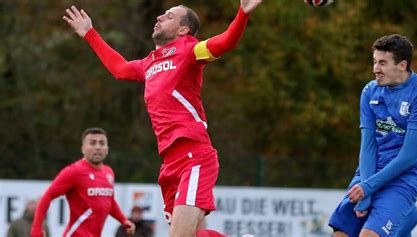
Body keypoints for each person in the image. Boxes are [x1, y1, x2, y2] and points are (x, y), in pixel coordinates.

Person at [62, 1, 262, 236]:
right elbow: (120, 69)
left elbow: (226, 41)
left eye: (168, 16)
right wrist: (89, 33)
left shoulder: (190, 51)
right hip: (169, 166)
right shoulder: (150, 62)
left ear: (183, 30)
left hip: (194, 157)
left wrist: (243, 13)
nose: (159, 17)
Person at [328, 34, 417, 237]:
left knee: (368, 235)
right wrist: (365, 189)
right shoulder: (370, 91)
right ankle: (408, 219)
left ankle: (407, 216)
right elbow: (368, 146)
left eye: (382, 63)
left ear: (402, 65)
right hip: (368, 173)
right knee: (340, 233)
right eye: (374, 62)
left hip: (403, 179)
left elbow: (410, 155)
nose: (375, 69)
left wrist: (368, 187)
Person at [30, 127, 135, 237]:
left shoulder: (108, 172)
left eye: (102, 143)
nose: (98, 147)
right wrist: (36, 228)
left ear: (107, 149)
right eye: (93, 143)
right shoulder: (74, 171)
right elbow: (47, 196)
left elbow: (110, 202)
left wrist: (124, 220)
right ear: (83, 148)